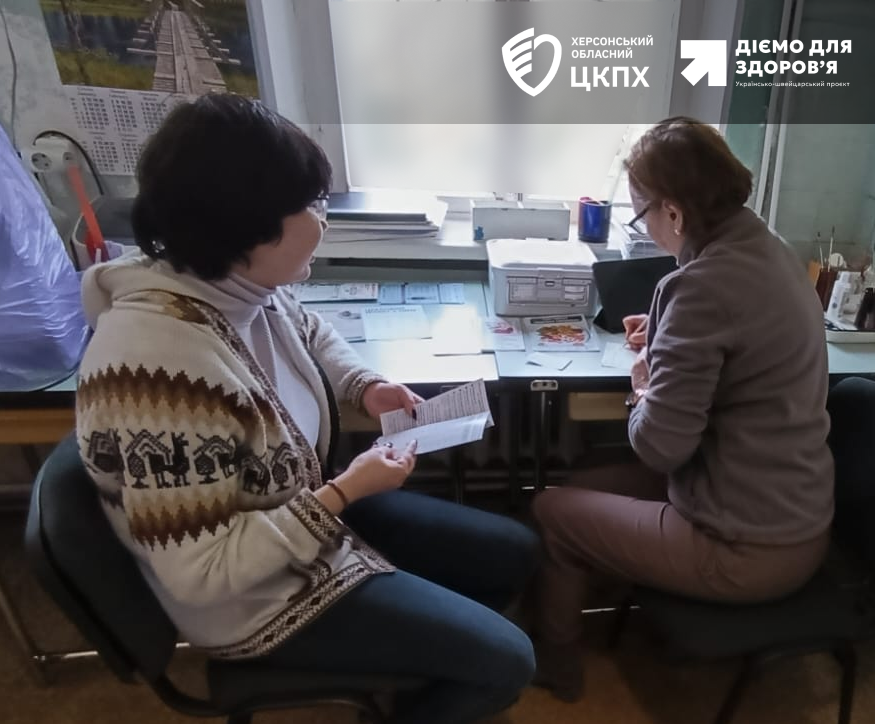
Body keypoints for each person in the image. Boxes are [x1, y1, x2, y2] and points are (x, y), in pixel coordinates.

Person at [75, 93, 537, 724]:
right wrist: (344, 493)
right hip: (257, 601)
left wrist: (363, 385)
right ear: (248, 223)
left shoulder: (230, 285)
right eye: (312, 205)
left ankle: (418, 666)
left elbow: (309, 330)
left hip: (302, 522)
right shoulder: (160, 377)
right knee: (509, 661)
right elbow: (203, 575)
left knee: (514, 551)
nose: (323, 220)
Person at [532, 117, 834, 701]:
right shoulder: (770, 249)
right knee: (583, 482)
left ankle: (557, 664)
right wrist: (669, 336)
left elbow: (659, 447)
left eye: (641, 214)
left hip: (745, 548)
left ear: (673, 212)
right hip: (792, 515)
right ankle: (625, 609)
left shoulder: (700, 285)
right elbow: (738, 340)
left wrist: (643, 381)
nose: (643, 228)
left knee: (550, 512)